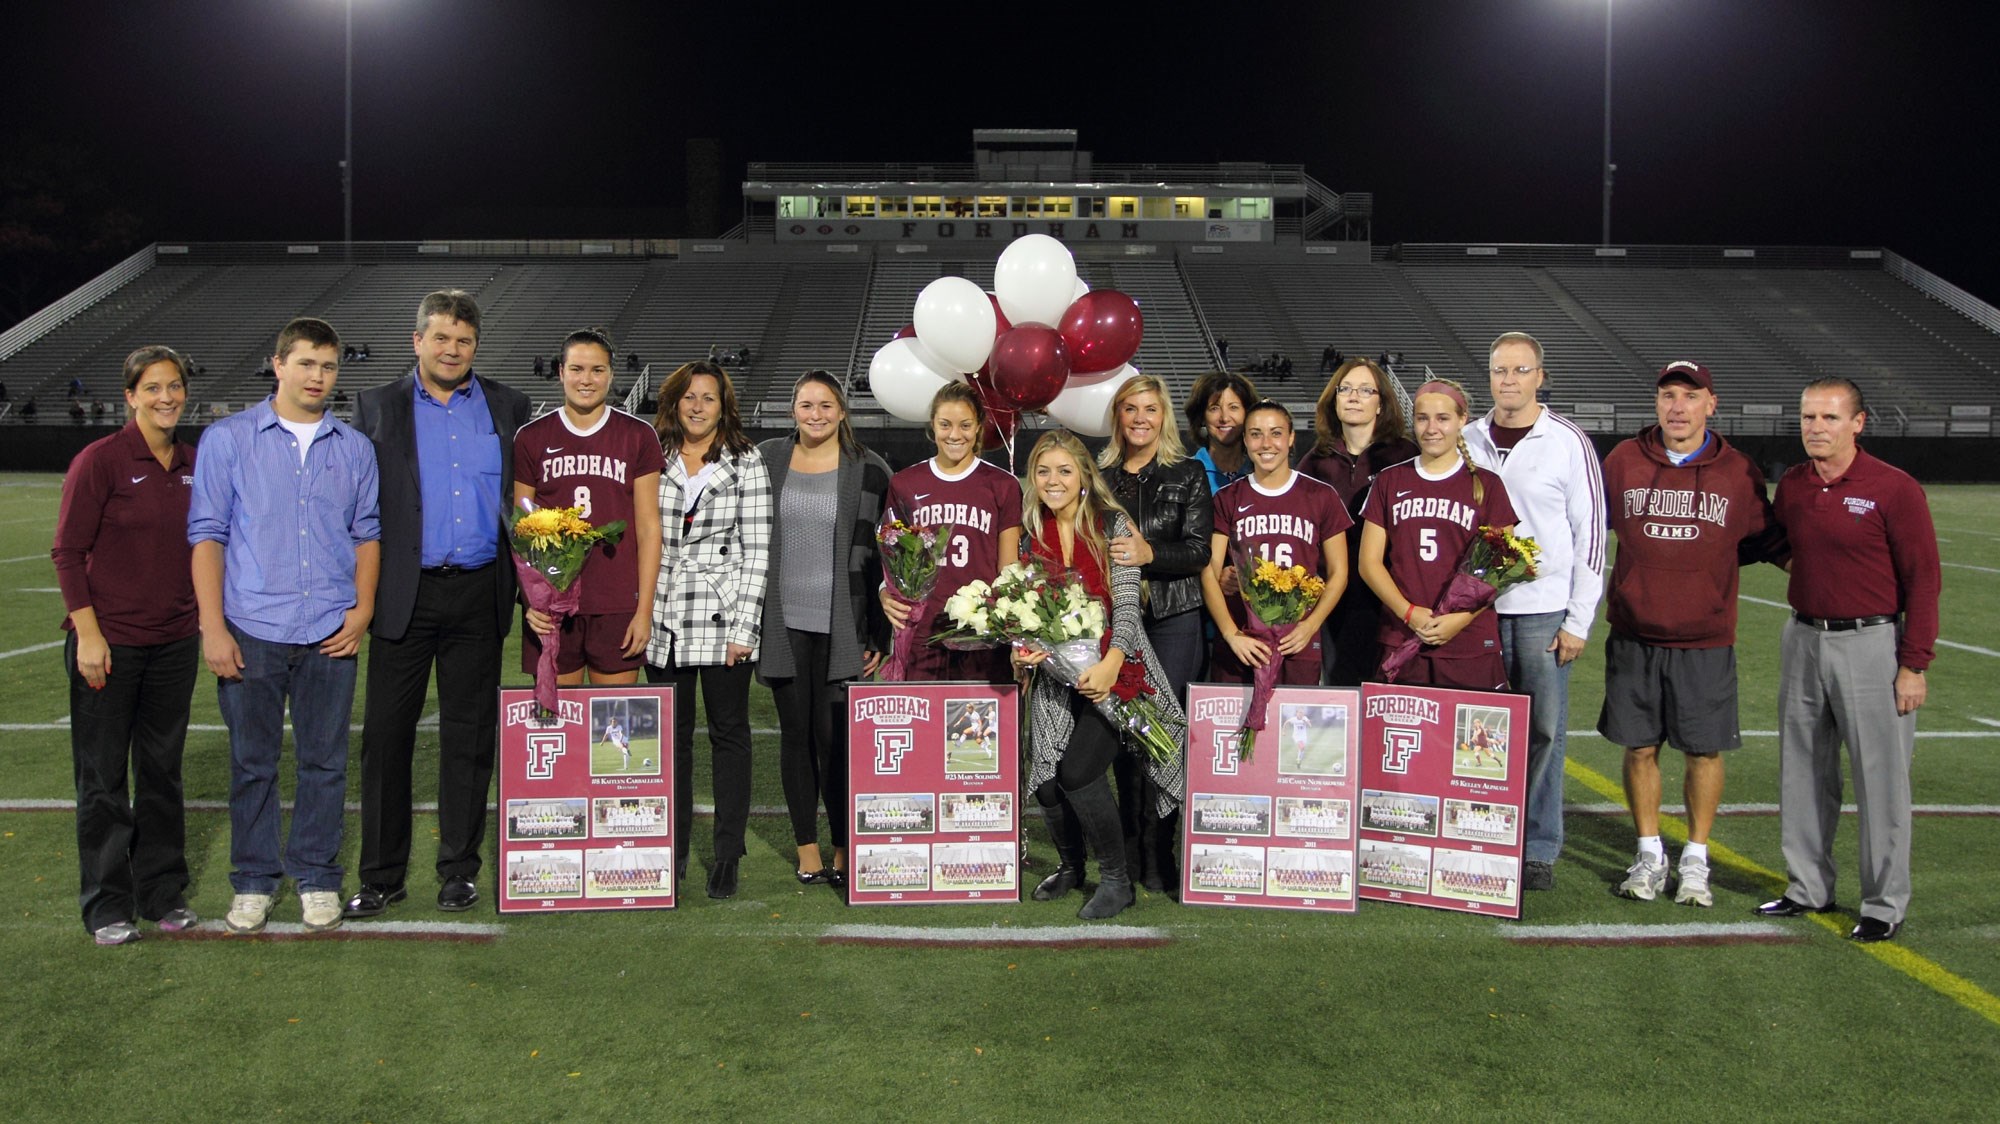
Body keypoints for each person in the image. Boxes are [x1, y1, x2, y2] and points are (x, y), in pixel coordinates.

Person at [188, 317, 380, 935]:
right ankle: (253, 880)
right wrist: (213, 627)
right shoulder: (228, 439)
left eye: (327, 367)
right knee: (253, 763)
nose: (317, 377)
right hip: (253, 624)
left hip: (330, 627)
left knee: (325, 762)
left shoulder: (353, 447)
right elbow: (208, 536)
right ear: (278, 364)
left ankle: (318, 877)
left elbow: (367, 535)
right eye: (306, 364)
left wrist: (363, 610)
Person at [347, 290, 529, 919]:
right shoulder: (377, 406)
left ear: (476, 346)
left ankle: (458, 870)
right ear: (416, 340)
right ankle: (381, 876)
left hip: (480, 592)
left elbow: (521, 504)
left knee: (470, 737)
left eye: (465, 340)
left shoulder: (508, 405)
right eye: (441, 338)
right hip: (405, 592)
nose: (452, 350)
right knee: (386, 737)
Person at [1758, 377, 1939, 943]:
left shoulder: (1894, 488)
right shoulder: (1793, 484)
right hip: (1804, 638)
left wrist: (1914, 664)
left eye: (1829, 418)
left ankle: (1884, 904)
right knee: (1804, 771)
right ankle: (1807, 887)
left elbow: (1924, 582)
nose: (1816, 427)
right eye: (1808, 417)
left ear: (1858, 423)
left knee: (1881, 780)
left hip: (1872, 647)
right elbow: (1776, 539)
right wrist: (1805, 574)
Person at [1600, 362, 1780, 907]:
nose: (1677, 407)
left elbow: (1762, 542)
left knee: (1703, 750)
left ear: (1711, 403)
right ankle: (1650, 853)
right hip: (1635, 632)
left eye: (1689, 396)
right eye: (1667, 396)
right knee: (1639, 747)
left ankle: (1696, 859)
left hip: (1705, 637)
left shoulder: (1738, 471)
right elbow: (1584, 528)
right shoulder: (1623, 460)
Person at [52, 346, 200, 945]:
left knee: (162, 774)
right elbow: (67, 553)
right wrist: (88, 633)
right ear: (131, 396)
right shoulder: (102, 461)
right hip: (108, 645)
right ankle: (106, 904)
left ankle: (161, 892)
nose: (166, 397)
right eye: (153, 388)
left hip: (174, 643)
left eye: (174, 386)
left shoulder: (195, 461)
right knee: (104, 780)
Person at [1013, 430, 1186, 921]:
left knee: (1076, 771)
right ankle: (1071, 866)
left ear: (1085, 476)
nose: (1054, 480)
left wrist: (1110, 665)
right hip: (1055, 675)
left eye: (1065, 470)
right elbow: (1026, 610)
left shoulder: (1112, 524)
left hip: (1120, 670)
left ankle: (1116, 880)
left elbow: (1128, 608)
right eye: (1044, 471)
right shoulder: (1032, 532)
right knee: (1045, 779)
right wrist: (1023, 652)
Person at [1464, 332, 1604, 891]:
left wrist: (1578, 620)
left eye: (1521, 370)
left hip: (1543, 613)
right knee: (1476, 733)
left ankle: (1538, 847)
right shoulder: (1468, 437)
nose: (1509, 380)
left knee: (1544, 731)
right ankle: (1475, 836)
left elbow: (1592, 534)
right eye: (1500, 370)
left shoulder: (1567, 440)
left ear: (1540, 377)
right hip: (1474, 612)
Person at [757, 371, 891, 889]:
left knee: (835, 739)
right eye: (806, 404)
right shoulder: (768, 459)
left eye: (826, 405)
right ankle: (805, 847)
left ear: (842, 411)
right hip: (784, 621)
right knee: (797, 736)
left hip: (844, 625)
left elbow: (886, 562)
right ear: (793, 409)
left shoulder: (871, 468)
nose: (816, 414)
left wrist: (876, 635)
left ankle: (841, 844)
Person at [648, 359, 770, 900]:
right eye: (689, 397)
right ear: (675, 401)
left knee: (728, 736)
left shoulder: (747, 461)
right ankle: (670, 850)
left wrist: (745, 626)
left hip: (722, 620)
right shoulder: (652, 453)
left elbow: (757, 552)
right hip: (663, 618)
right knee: (669, 742)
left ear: (725, 407)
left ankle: (727, 852)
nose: (697, 407)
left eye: (709, 399)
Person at [1100, 374, 1211, 894]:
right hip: (1117, 623)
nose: (1140, 418)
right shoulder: (1097, 476)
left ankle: (1158, 850)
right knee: (1122, 734)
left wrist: (1150, 555)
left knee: (1162, 735)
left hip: (1173, 619)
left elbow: (1199, 551)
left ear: (1163, 416)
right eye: (1130, 409)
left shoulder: (1188, 473)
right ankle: (1124, 843)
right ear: (1117, 417)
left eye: (1150, 409)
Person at [514, 328, 664, 687]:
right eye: (578, 369)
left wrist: (644, 611)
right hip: (552, 604)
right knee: (558, 725)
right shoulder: (531, 437)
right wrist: (529, 599)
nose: (587, 379)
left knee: (609, 728)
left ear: (611, 375)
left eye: (597, 370)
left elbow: (648, 527)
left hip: (616, 600)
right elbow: (522, 528)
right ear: (561, 372)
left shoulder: (638, 435)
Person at [1358, 380, 1518, 689]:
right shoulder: (1390, 481)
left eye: (1443, 418)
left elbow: (1502, 567)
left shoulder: (1488, 485)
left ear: (1462, 420)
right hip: (1402, 637)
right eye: (1422, 418)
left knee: (1469, 739)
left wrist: (1460, 619)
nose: (1432, 428)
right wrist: (1408, 613)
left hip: (1468, 641)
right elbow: (1369, 563)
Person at [880, 382, 1024, 683]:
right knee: (924, 727)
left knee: (981, 729)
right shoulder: (905, 483)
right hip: (924, 630)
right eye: (945, 424)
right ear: (932, 426)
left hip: (983, 632)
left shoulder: (1003, 484)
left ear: (980, 427)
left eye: (965, 425)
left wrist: (1015, 636)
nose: (955, 435)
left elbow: (1008, 568)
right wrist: (884, 592)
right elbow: (894, 557)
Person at [1201, 400, 1350, 688]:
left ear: (1292, 438)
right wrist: (1231, 633)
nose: (1266, 443)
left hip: (1297, 641)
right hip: (1244, 642)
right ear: (1244, 440)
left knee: (1294, 730)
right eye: (1256, 434)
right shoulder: (1227, 498)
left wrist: (1310, 625)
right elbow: (1209, 571)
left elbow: (1339, 573)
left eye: (1276, 433)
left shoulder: (1321, 495)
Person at [1299, 357, 1419, 684]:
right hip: (1335, 601)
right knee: (1343, 695)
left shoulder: (1406, 457)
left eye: (1366, 390)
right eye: (1346, 389)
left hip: (1393, 599)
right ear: (1334, 398)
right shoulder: (1314, 461)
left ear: (1382, 404)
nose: (1354, 396)